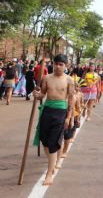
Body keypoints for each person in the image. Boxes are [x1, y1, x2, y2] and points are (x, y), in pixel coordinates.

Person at [32, 54, 75, 186]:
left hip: (61, 112)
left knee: (52, 143)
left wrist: (69, 117)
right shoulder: (46, 78)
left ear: (66, 66)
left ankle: (49, 173)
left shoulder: (69, 80)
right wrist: (37, 95)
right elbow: (42, 95)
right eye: (56, 63)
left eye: (61, 64)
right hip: (47, 110)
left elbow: (71, 98)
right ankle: (54, 159)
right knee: (45, 141)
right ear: (53, 64)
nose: (57, 66)